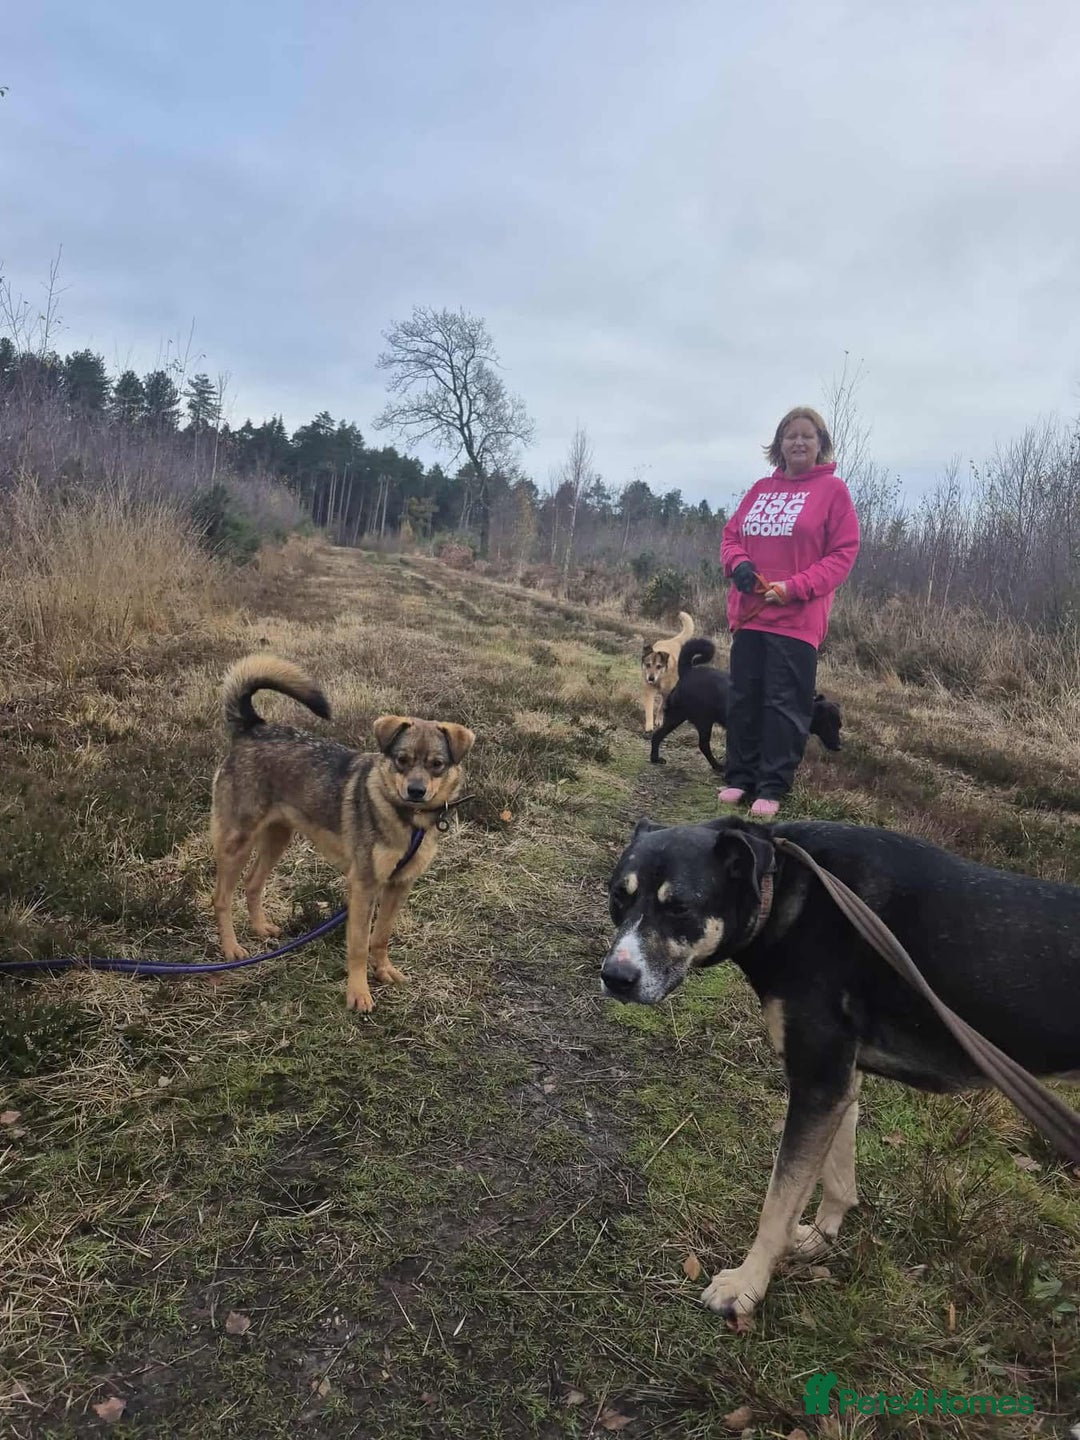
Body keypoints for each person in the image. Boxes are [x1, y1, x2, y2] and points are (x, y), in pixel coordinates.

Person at [718, 406, 860, 818]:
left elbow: (843, 554)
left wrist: (795, 587)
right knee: (744, 698)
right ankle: (739, 776)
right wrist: (739, 564)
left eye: (807, 436)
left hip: (797, 621)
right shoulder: (761, 489)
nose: (798, 442)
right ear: (779, 444)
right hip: (751, 616)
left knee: (784, 704)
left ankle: (772, 784)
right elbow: (731, 537)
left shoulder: (833, 493)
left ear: (820, 445)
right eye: (790, 435)